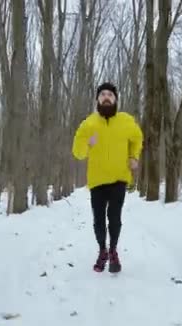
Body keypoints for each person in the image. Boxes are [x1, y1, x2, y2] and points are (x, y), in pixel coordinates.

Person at [72, 82, 143, 273]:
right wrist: (88, 142)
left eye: (110, 95)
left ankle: (113, 251)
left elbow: (137, 138)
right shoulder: (88, 124)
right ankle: (102, 250)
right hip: (97, 181)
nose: (106, 97)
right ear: (97, 100)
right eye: (102, 94)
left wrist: (133, 156)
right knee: (98, 220)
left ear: (115, 100)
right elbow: (78, 153)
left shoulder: (126, 120)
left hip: (119, 178)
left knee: (114, 217)